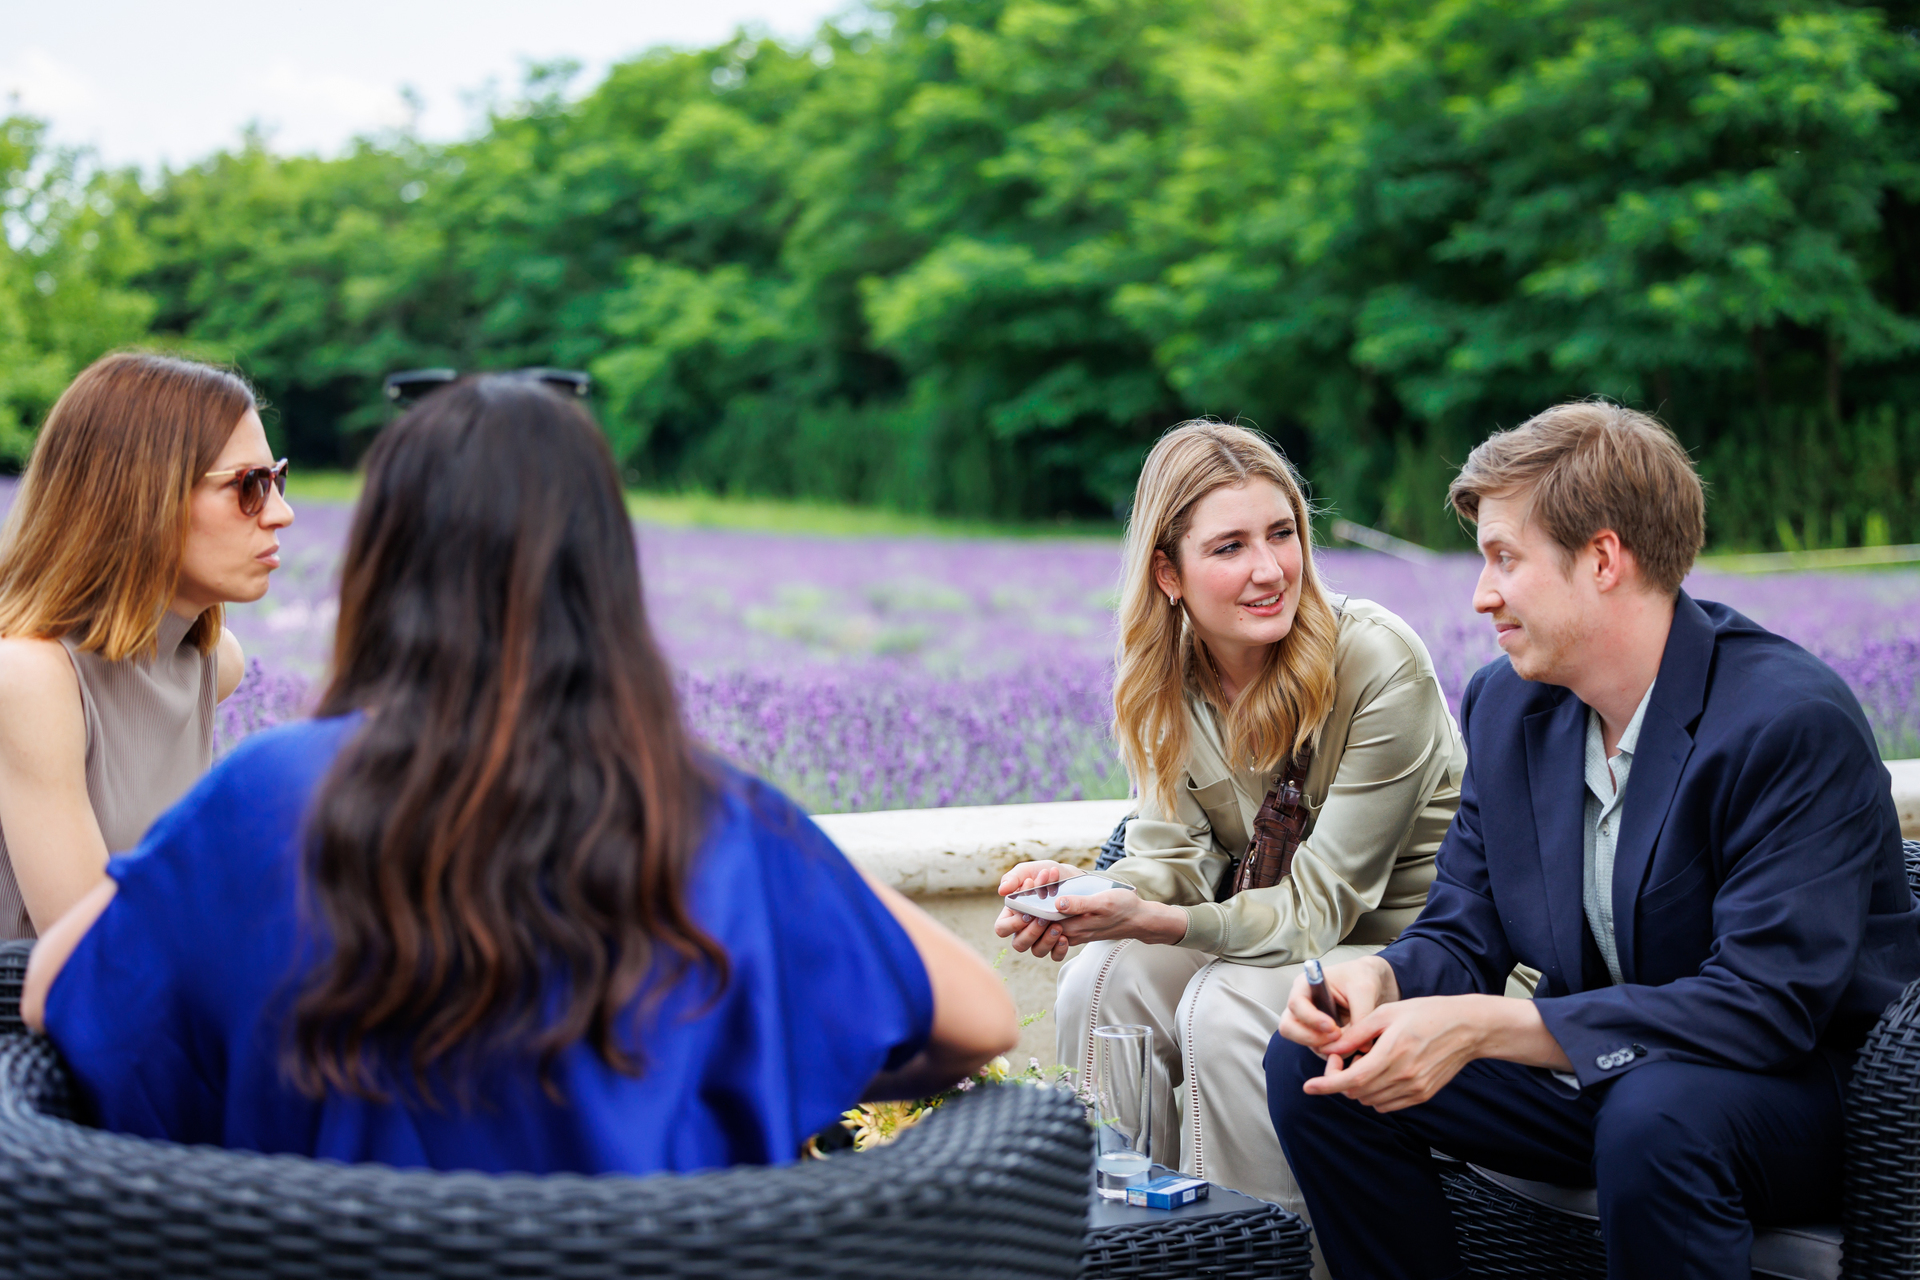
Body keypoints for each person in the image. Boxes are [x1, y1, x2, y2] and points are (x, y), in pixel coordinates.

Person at [22, 374, 1018, 1174]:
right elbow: (979, 1017)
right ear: (606, 573)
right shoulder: (705, 807)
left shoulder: (269, 792)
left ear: (381, 567)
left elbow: (56, 994)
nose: (278, 512)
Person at [1267, 401, 1920, 1280]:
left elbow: (1764, 1006)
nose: (1481, 593)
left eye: (1505, 558)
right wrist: (1380, 981)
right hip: (1610, 1079)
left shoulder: (1789, 722)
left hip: (1807, 1094)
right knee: (1318, 1066)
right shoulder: (1507, 705)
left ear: (1604, 559)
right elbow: (1465, 926)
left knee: (1656, 1115)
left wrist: (1496, 1025)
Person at [994, 420, 1467, 1216]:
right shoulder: (1170, 681)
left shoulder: (1376, 660)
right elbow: (1168, 861)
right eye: (1229, 547)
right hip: (1278, 937)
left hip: (1411, 953)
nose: (1269, 569)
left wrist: (1166, 921)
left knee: (1229, 1007)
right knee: (1103, 978)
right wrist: (1089, 896)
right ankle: (1130, 1242)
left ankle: (1265, 1252)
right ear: (1167, 573)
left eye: (1282, 534)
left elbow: (1320, 909)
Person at [0, 351, 292, 940]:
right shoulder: (30, 675)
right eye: (249, 486)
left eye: (277, 478)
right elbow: (96, 951)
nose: (280, 514)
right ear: (141, 496)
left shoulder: (213, 663)